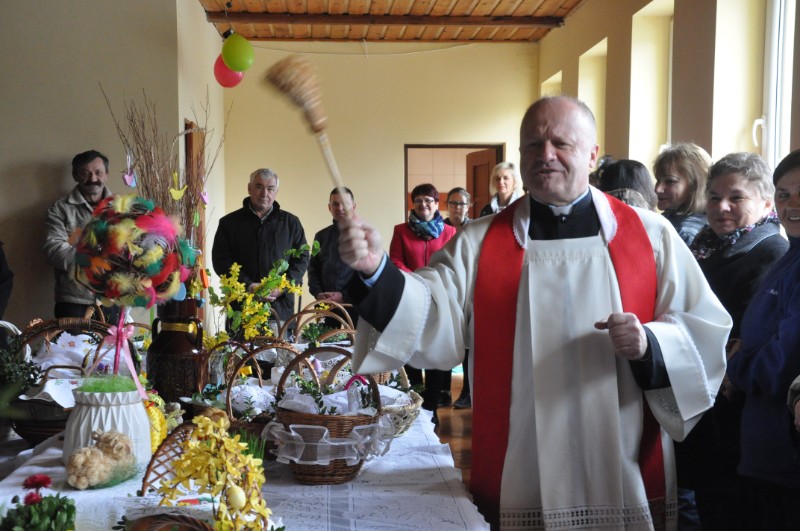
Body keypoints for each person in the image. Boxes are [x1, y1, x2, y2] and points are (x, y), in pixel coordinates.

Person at [339, 95, 731, 529]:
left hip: (618, 449)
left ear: (592, 154)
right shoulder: (480, 241)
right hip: (519, 455)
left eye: (562, 143)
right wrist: (376, 270)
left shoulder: (649, 235)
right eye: (532, 145)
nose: (546, 155)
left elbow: (703, 328)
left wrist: (651, 344)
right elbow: (432, 311)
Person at [675, 152, 788, 531]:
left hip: (735, 415)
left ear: (766, 203)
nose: (721, 207)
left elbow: (740, 337)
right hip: (702, 403)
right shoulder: (706, 248)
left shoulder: (770, 253)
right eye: (713, 197)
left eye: (736, 198)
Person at [727, 148, 800, 530]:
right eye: (784, 194)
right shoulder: (791, 254)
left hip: (786, 453)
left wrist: (735, 364)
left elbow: (783, 362)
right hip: (767, 449)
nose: (793, 204)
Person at [389, 183, 456, 422]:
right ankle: (415, 405)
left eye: (428, 200)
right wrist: (417, 280)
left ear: (437, 204)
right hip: (411, 300)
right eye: (418, 200)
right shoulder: (400, 230)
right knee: (412, 353)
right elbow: (395, 261)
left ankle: (432, 408)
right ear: (413, 204)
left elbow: (452, 265)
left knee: (436, 354)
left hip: (440, 303)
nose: (423, 205)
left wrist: (434, 283)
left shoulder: (449, 232)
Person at [212, 168, 309, 327]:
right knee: (241, 352)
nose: (264, 193)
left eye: (270, 188)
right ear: (249, 188)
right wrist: (248, 284)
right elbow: (220, 260)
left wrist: (282, 287)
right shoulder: (229, 223)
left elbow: (302, 259)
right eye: (259, 187)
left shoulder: (291, 223)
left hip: (281, 309)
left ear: (276, 191)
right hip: (241, 309)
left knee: (280, 351)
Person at [43, 150, 117, 320]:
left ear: (107, 175)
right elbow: (54, 250)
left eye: (98, 173)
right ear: (75, 175)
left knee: (112, 347)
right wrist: (92, 260)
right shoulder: (59, 209)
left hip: (112, 298)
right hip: (73, 301)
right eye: (85, 173)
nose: (93, 179)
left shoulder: (123, 208)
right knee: (70, 347)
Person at [307, 187, 358, 325]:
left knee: (357, 346)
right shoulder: (321, 236)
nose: (340, 208)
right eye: (335, 204)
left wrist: (344, 296)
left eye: (345, 204)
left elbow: (368, 275)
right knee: (325, 345)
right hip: (326, 305)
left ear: (353, 206)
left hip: (355, 306)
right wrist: (318, 294)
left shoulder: (364, 236)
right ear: (329, 207)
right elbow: (313, 269)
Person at [444, 187, 473, 409]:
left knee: (469, 346)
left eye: (461, 204)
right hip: (445, 293)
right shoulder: (440, 229)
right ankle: (443, 390)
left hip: (470, 294)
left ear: (468, 206)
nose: (457, 208)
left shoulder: (475, 230)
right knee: (446, 341)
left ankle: (467, 391)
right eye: (453, 204)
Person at [653, 143, 711, 246]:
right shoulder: (673, 220)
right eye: (658, 180)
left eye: (670, 181)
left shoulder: (684, 233)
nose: (658, 189)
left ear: (695, 185)